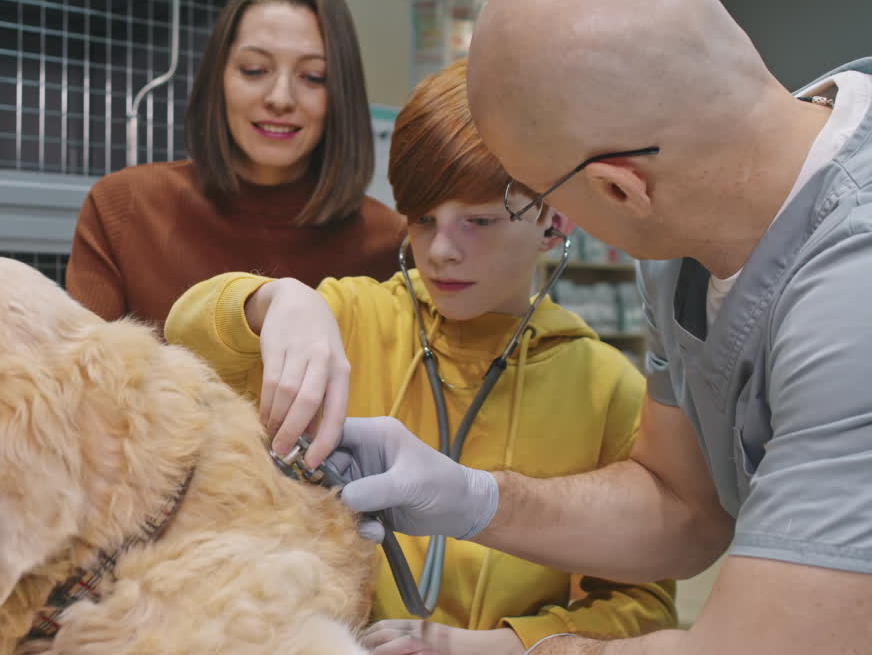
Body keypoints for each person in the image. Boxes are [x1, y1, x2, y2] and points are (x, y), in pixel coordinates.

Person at [323, 0, 872, 653]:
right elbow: (682, 508)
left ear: (618, 187)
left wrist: (515, 648)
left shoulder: (851, 296)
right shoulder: (679, 241)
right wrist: (474, 498)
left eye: (540, 198)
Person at [165, 60, 676, 655]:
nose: (441, 252)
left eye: (479, 221)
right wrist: (273, 300)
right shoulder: (351, 317)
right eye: (423, 219)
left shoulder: (606, 388)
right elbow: (186, 335)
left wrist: (503, 647)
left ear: (554, 221)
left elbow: (642, 602)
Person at [65, 0, 404, 328]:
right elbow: (83, 376)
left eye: (313, 77)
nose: (280, 98)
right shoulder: (124, 208)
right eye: (255, 70)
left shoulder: (390, 244)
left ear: (341, 95)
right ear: (219, 78)